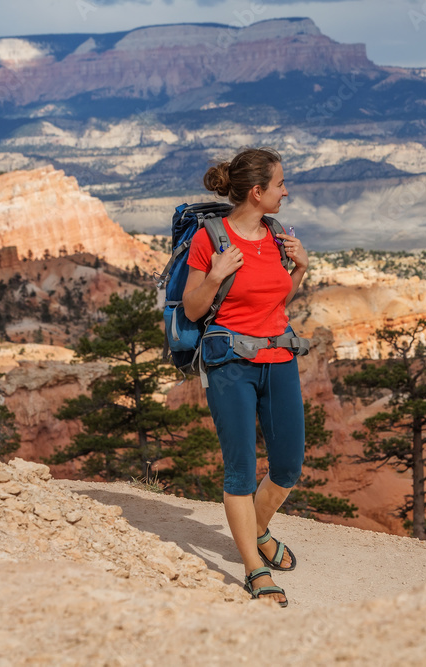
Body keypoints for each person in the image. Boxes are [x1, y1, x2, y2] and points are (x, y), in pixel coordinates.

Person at [181, 147, 308, 607]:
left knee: (289, 465)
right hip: (230, 364)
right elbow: (194, 309)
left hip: (279, 359)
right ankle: (255, 568)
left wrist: (300, 268)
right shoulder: (210, 240)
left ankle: (255, 529)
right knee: (240, 469)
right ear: (257, 192)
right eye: (279, 184)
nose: (285, 190)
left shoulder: (276, 235)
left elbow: (275, 301)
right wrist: (215, 276)